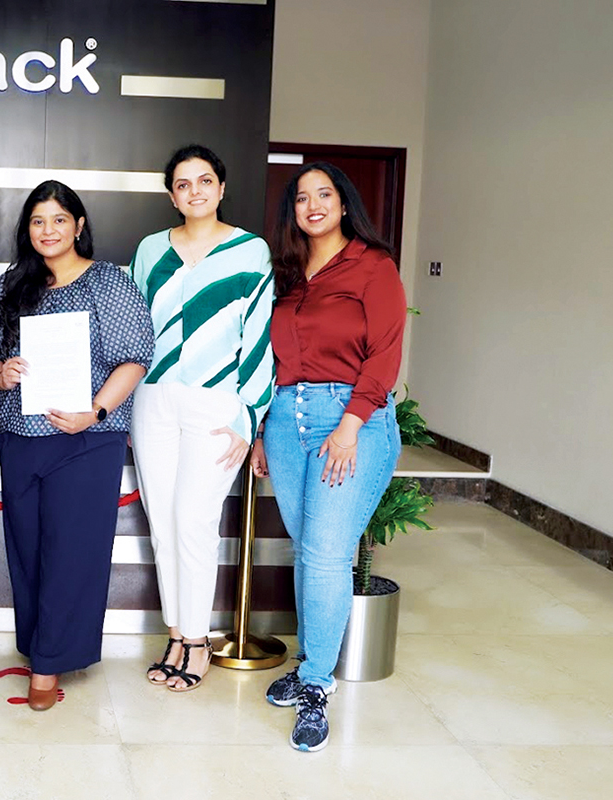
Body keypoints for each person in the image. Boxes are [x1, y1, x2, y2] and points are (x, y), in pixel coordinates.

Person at [0, 180, 153, 711]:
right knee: (27, 549)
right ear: (26, 230)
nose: (48, 230)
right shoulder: (9, 286)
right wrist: (1, 374)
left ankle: (48, 665)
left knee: (74, 552)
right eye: (37, 221)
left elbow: (135, 359)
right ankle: (41, 647)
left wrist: (94, 411)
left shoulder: (108, 282)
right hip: (21, 438)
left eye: (58, 219)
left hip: (88, 438)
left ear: (78, 225)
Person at [249, 162, 405, 752]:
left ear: (344, 204)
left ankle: (316, 685)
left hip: (351, 421)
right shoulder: (286, 273)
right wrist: (262, 429)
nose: (312, 205)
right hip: (285, 421)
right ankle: (309, 664)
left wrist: (350, 426)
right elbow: (269, 360)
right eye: (301, 197)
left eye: (325, 194)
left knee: (325, 555)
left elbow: (385, 354)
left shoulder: (373, 266)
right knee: (308, 550)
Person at [129, 144, 275, 692]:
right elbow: (133, 329)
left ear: (221, 187)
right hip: (153, 398)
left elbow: (259, 338)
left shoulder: (250, 250)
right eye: (183, 184)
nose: (195, 191)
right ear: (172, 195)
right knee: (163, 526)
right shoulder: (149, 250)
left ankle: (198, 641)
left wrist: (248, 416)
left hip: (217, 403)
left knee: (194, 521)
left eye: (205, 180)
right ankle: (177, 635)